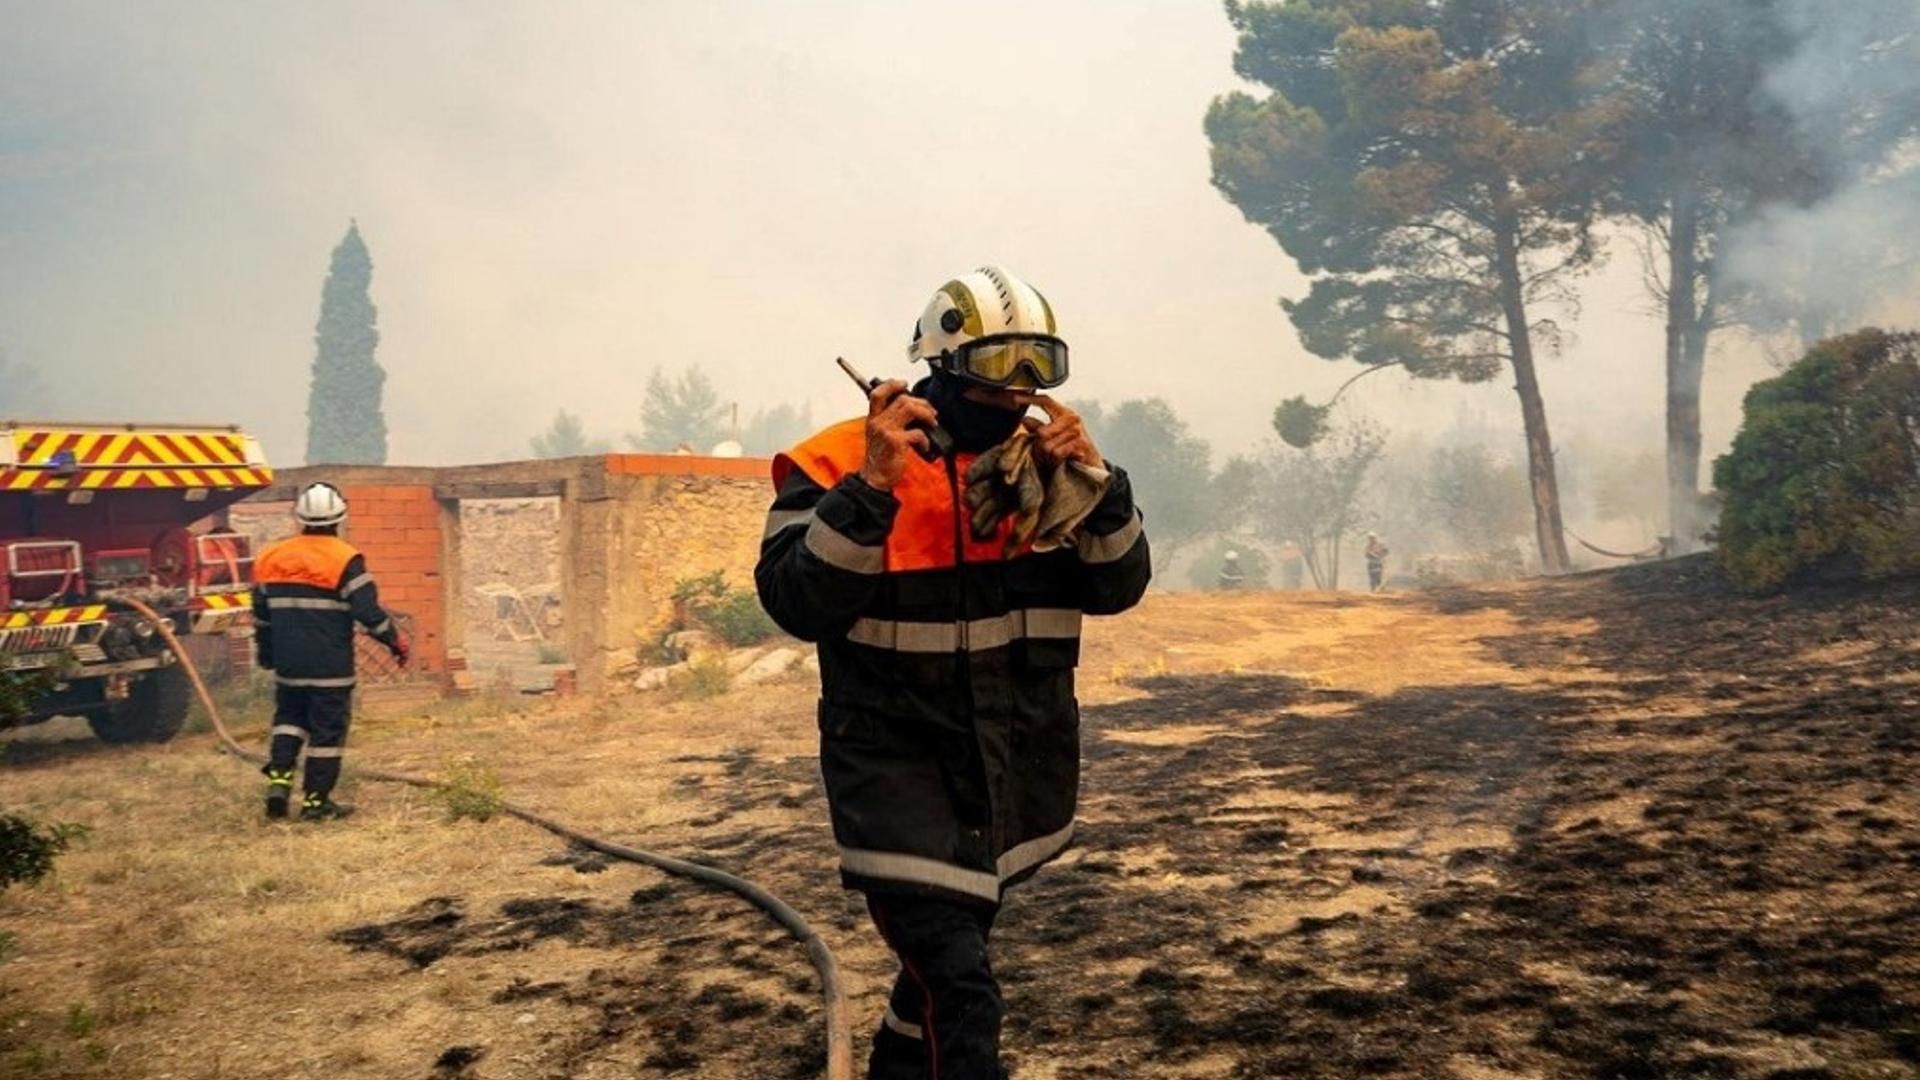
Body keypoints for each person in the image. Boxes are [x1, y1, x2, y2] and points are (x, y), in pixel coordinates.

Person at [755, 267, 1151, 1079]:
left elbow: (1118, 588)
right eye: (1004, 364)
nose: (1024, 390)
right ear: (947, 360)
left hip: (1010, 772)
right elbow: (796, 603)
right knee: (964, 996)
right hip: (896, 777)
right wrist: (872, 488)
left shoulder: (1041, 472)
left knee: (930, 984)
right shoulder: (839, 463)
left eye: (1042, 365)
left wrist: (1098, 491)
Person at [251, 482, 409, 821]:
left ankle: (278, 784)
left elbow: (262, 618)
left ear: (299, 518)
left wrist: (267, 655)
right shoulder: (345, 560)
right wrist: (395, 642)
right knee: (327, 733)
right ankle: (315, 803)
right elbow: (370, 614)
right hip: (330, 668)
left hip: (289, 666)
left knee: (288, 721)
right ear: (339, 518)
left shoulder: (271, 557)